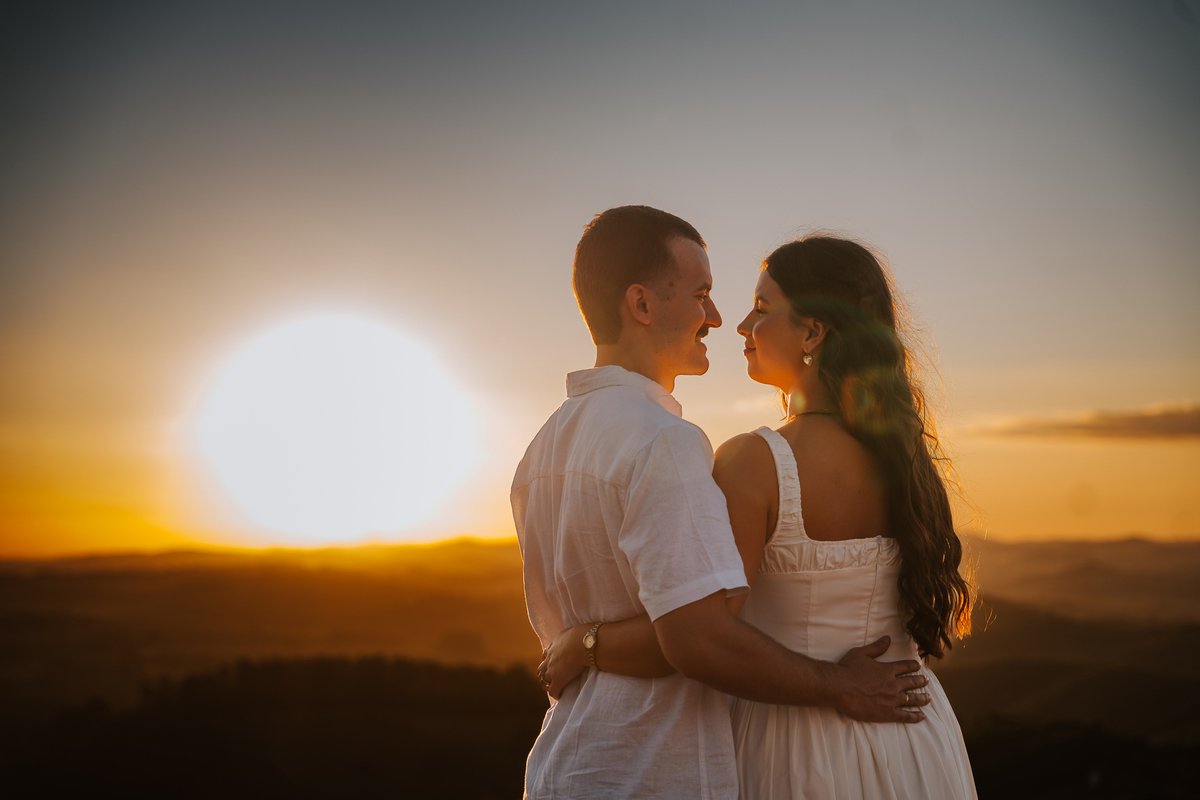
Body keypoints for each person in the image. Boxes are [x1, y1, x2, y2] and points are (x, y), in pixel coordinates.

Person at [512, 207, 932, 800]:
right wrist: (843, 686)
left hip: (567, 765)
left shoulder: (541, 452)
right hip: (651, 769)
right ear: (642, 304)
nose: (716, 316)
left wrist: (581, 645)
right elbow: (700, 637)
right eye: (702, 294)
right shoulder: (665, 442)